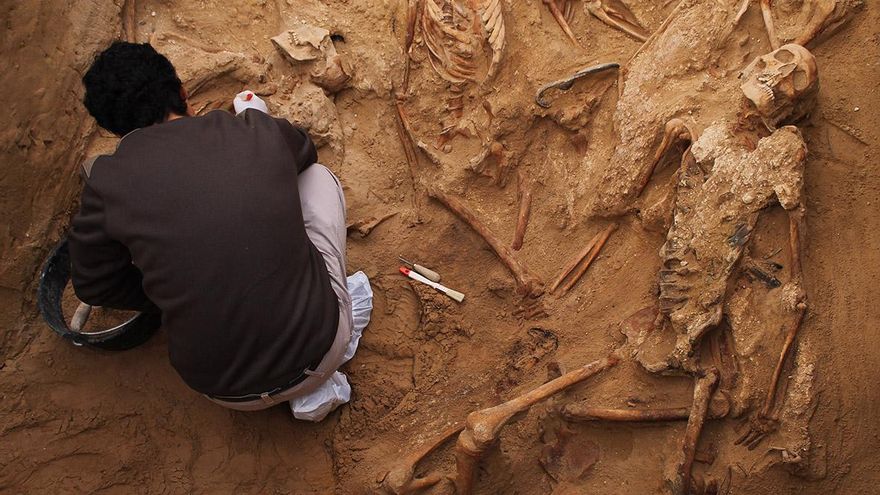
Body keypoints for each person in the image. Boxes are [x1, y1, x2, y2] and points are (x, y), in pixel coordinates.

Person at [70, 41, 370, 419]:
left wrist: (170, 288)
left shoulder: (105, 182)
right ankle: (317, 374)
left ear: (112, 128)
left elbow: (93, 285)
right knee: (316, 178)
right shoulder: (251, 130)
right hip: (318, 353)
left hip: (220, 390)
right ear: (181, 92)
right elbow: (304, 152)